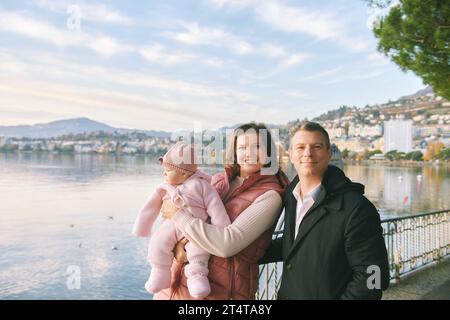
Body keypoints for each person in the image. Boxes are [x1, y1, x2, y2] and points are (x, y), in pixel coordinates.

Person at [157, 122, 289, 300]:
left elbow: (227, 245)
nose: (248, 153)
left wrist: (177, 214)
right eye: (242, 147)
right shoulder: (219, 181)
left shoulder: (270, 196)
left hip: (219, 292)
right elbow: (188, 219)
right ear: (234, 152)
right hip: (174, 286)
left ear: (269, 152)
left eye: (257, 146)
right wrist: (177, 247)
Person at [260, 121, 390, 300]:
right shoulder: (291, 196)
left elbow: (374, 278)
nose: (308, 153)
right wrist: (245, 252)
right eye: (300, 147)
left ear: (329, 153)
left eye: (317, 146)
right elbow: (297, 242)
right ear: (290, 155)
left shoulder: (357, 208)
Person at [132, 141, 231, 298]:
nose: (164, 174)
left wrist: (222, 227)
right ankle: (159, 272)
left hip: (197, 227)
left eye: (168, 170)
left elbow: (215, 207)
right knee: (158, 242)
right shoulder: (164, 188)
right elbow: (149, 208)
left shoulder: (203, 186)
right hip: (171, 225)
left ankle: (197, 277)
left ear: (184, 173)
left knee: (199, 251)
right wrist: (142, 227)